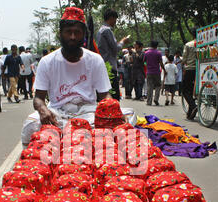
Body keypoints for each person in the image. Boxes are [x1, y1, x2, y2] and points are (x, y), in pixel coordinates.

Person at [22, 7, 136, 145]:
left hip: (90, 113)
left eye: (77, 32)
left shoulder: (95, 59)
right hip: (58, 113)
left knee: (129, 116)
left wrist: (114, 109)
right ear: (60, 34)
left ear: (83, 35)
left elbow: (104, 95)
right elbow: (38, 98)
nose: (72, 37)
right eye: (68, 32)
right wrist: (43, 110)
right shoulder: (47, 61)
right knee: (30, 124)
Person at [96, 8, 130, 100]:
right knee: (113, 96)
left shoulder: (100, 31)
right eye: (115, 19)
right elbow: (116, 48)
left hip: (105, 66)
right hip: (109, 67)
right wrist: (123, 41)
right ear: (111, 18)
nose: (115, 22)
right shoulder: (107, 30)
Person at [182, 29, 198, 120]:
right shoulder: (204, 44)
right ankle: (190, 112)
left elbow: (184, 58)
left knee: (185, 90)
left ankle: (193, 105)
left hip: (190, 69)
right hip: (201, 70)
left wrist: (182, 63)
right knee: (192, 91)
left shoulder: (188, 45)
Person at [144, 40, 166, 106]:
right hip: (157, 72)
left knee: (149, 86)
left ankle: (149, 101)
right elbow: (161, 63)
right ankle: (156, 98)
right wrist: (164, 70)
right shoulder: (158, 53)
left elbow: (144, 61)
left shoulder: (146, 53)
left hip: (149, 72)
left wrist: (147, 66)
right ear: (157, 46)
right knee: (158, 86)